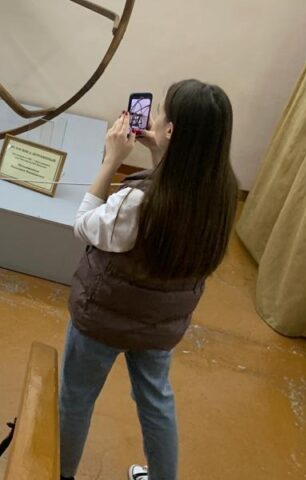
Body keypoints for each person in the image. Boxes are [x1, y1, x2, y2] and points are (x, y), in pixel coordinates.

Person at [59, 80, 238, 480]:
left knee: (76, 398)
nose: (154, 118)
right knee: (157, 403)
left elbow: (86, 226)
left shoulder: (139, 200)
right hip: (160, 326)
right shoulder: (221, 193)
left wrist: (111, 160)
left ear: (172, 130)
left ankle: (61, 474)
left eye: (162, 114)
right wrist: (159, 153)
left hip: (102, 320)